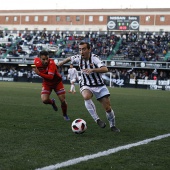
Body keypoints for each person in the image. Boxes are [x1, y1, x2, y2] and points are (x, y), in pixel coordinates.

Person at [57, 42, 120, 132]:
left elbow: (105, 69)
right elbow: (69, 58)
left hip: (99, 85)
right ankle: (97, 119)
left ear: (89, 49)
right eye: (80, 49)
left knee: (108, 108)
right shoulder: (78, 58)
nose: (81, 51)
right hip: (85, 83)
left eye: (84, 49)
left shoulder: (95, 58)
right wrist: (61, 63)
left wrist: (92, 70)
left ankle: (112, 125)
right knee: (86, 96)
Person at [33, 50, 70, 121]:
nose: (46, 61)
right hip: (47, 83)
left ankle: (65, 115)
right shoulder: (36, 61)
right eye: (43, 59)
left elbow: (50, 77)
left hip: (57, 83)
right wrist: (34, 68)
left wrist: (39, 73)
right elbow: (33, 65)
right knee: (44, 100)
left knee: (63, 100)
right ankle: (52, 102)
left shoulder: (51, 63)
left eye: (47, 58)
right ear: (40, 59)